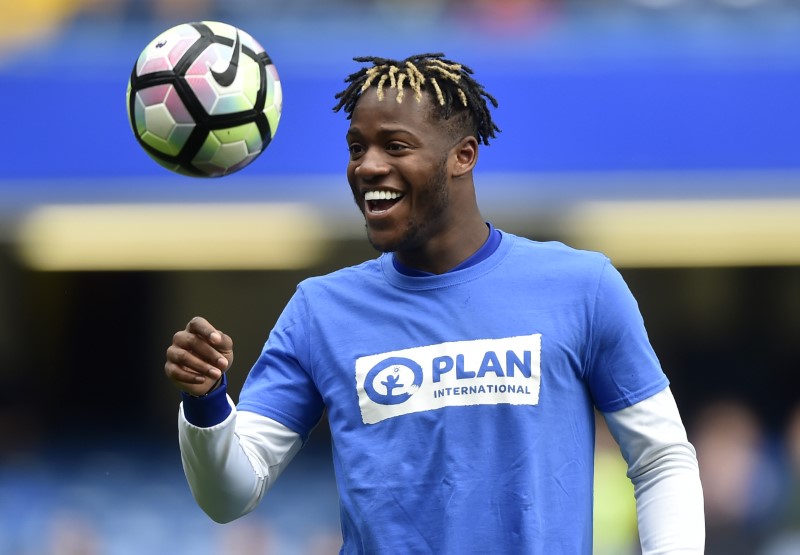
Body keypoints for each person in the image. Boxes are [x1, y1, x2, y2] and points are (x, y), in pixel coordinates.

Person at [165, 52, 705, 553]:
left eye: (395, 146)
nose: (368, 166)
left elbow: (661, 460)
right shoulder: (319, 311)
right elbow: (229, 494)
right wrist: (208, 400)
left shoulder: (582, 287)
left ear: (462, 156)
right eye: (357, 148)